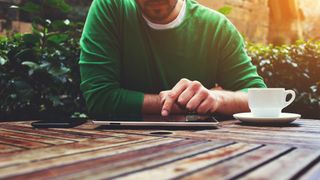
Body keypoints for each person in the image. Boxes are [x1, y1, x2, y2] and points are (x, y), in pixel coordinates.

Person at [79, 0, 266, 118]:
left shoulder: (217, 27)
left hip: (200, 151)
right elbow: (100, 100)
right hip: (115, 147)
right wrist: (190, 105)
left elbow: (260, 98)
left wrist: (217, 98)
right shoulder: (110, 6)